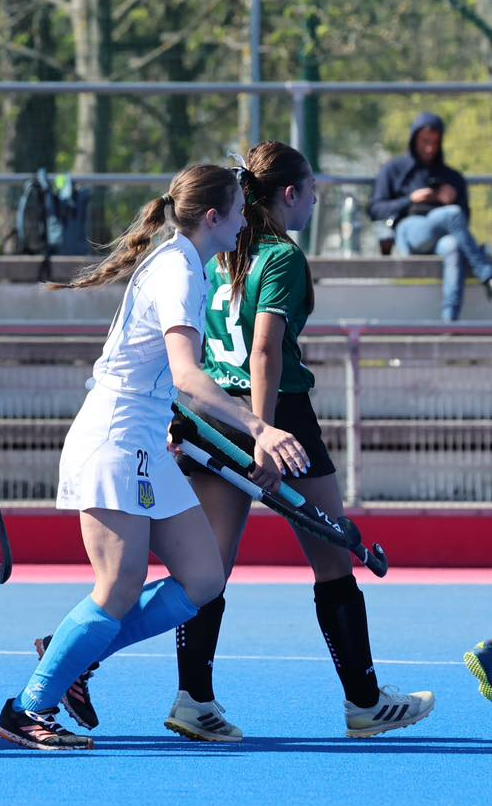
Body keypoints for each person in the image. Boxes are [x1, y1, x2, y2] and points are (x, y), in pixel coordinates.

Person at [0, 164, 309, 751]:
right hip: (114, 438)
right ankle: (27, 708)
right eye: (240, 210)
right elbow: (188, 375)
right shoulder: (178, 270)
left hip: (146, 440)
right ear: (213, 217)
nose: (247, 219)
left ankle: (70, 653)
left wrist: (176, 419)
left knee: (203, 578)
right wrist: (259, 428)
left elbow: (168, 379)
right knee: (119, 586)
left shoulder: (190, 264)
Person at [158, 141, 432, 741]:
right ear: (289, 193)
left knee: (208, 572)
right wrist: (264, 433)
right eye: (311, 191)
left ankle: (192, 698)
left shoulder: (219, 251)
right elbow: (265, 350)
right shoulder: (280, 255)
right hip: (276, 414)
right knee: (333, 561)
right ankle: (364, 702)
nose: (313, 200)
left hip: (215, 413)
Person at [368, 112, 492, 321]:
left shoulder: (452, 177)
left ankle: (449, 320)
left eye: (435, 142)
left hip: (441, 238)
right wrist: (410, 200)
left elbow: (464, 222)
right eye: (425, 141)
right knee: (452, 214)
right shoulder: (394, 169)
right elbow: (375, 209)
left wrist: (448, 200)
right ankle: (487, 274)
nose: (430, 148)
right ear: (414, 139)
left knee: (454, 245)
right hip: (409, 230)